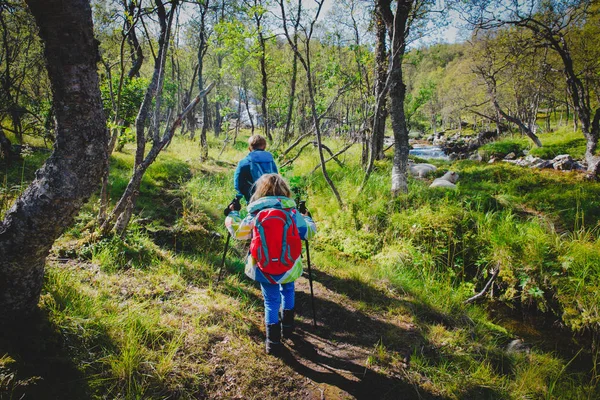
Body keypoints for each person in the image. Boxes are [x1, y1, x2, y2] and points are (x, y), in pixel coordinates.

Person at [225, 173, 316, 355]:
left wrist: (232, 214)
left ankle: (272, 342)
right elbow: (308, 233)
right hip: (289, 265)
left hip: (263, 266)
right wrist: (307, 218)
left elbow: (239, 233)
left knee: (270, 301)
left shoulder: (255, 214)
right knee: (288, 290)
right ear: (284, 190)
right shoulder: (292, 212)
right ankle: (288, 326)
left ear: (261, 191)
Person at [233, 135, 278, 202]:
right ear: (264, 147)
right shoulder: (271, 161)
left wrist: (240, 195)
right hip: (272, 197)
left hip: (253, 198)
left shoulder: (244, 162)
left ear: (249, 148)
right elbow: (276, 178)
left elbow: (238, 184)